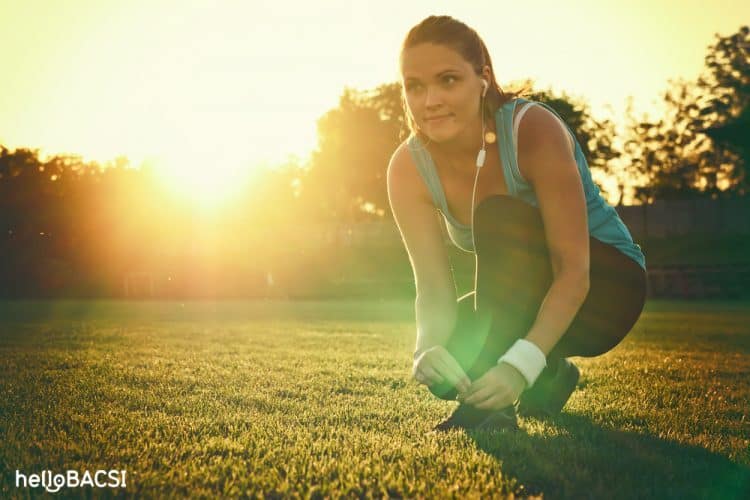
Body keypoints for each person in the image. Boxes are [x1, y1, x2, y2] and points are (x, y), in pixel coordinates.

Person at [386, 16, 647, 432]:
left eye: (448, 80)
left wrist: (516, 366)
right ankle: (550, 375)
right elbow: (433, 287)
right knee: (449, 359)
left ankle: (495, 408)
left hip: (607, 289)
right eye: (415, 86)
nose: (429, 99)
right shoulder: (407, 167)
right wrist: (426, 348)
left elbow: (572, 271)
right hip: (527, 297)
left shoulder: (533, 129)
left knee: (498, 215)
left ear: (483, 79)